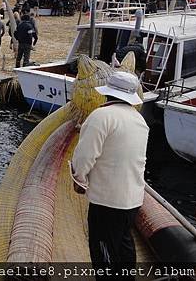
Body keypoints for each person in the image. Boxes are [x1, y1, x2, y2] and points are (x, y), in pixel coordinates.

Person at [71, 72, 149, 280]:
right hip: (132, 199)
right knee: (124, 244)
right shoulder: (139, 120)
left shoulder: (101, 116)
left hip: (107, 201)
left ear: (107, 94)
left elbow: (84, 156)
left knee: (102, 248)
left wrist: (79, 179)